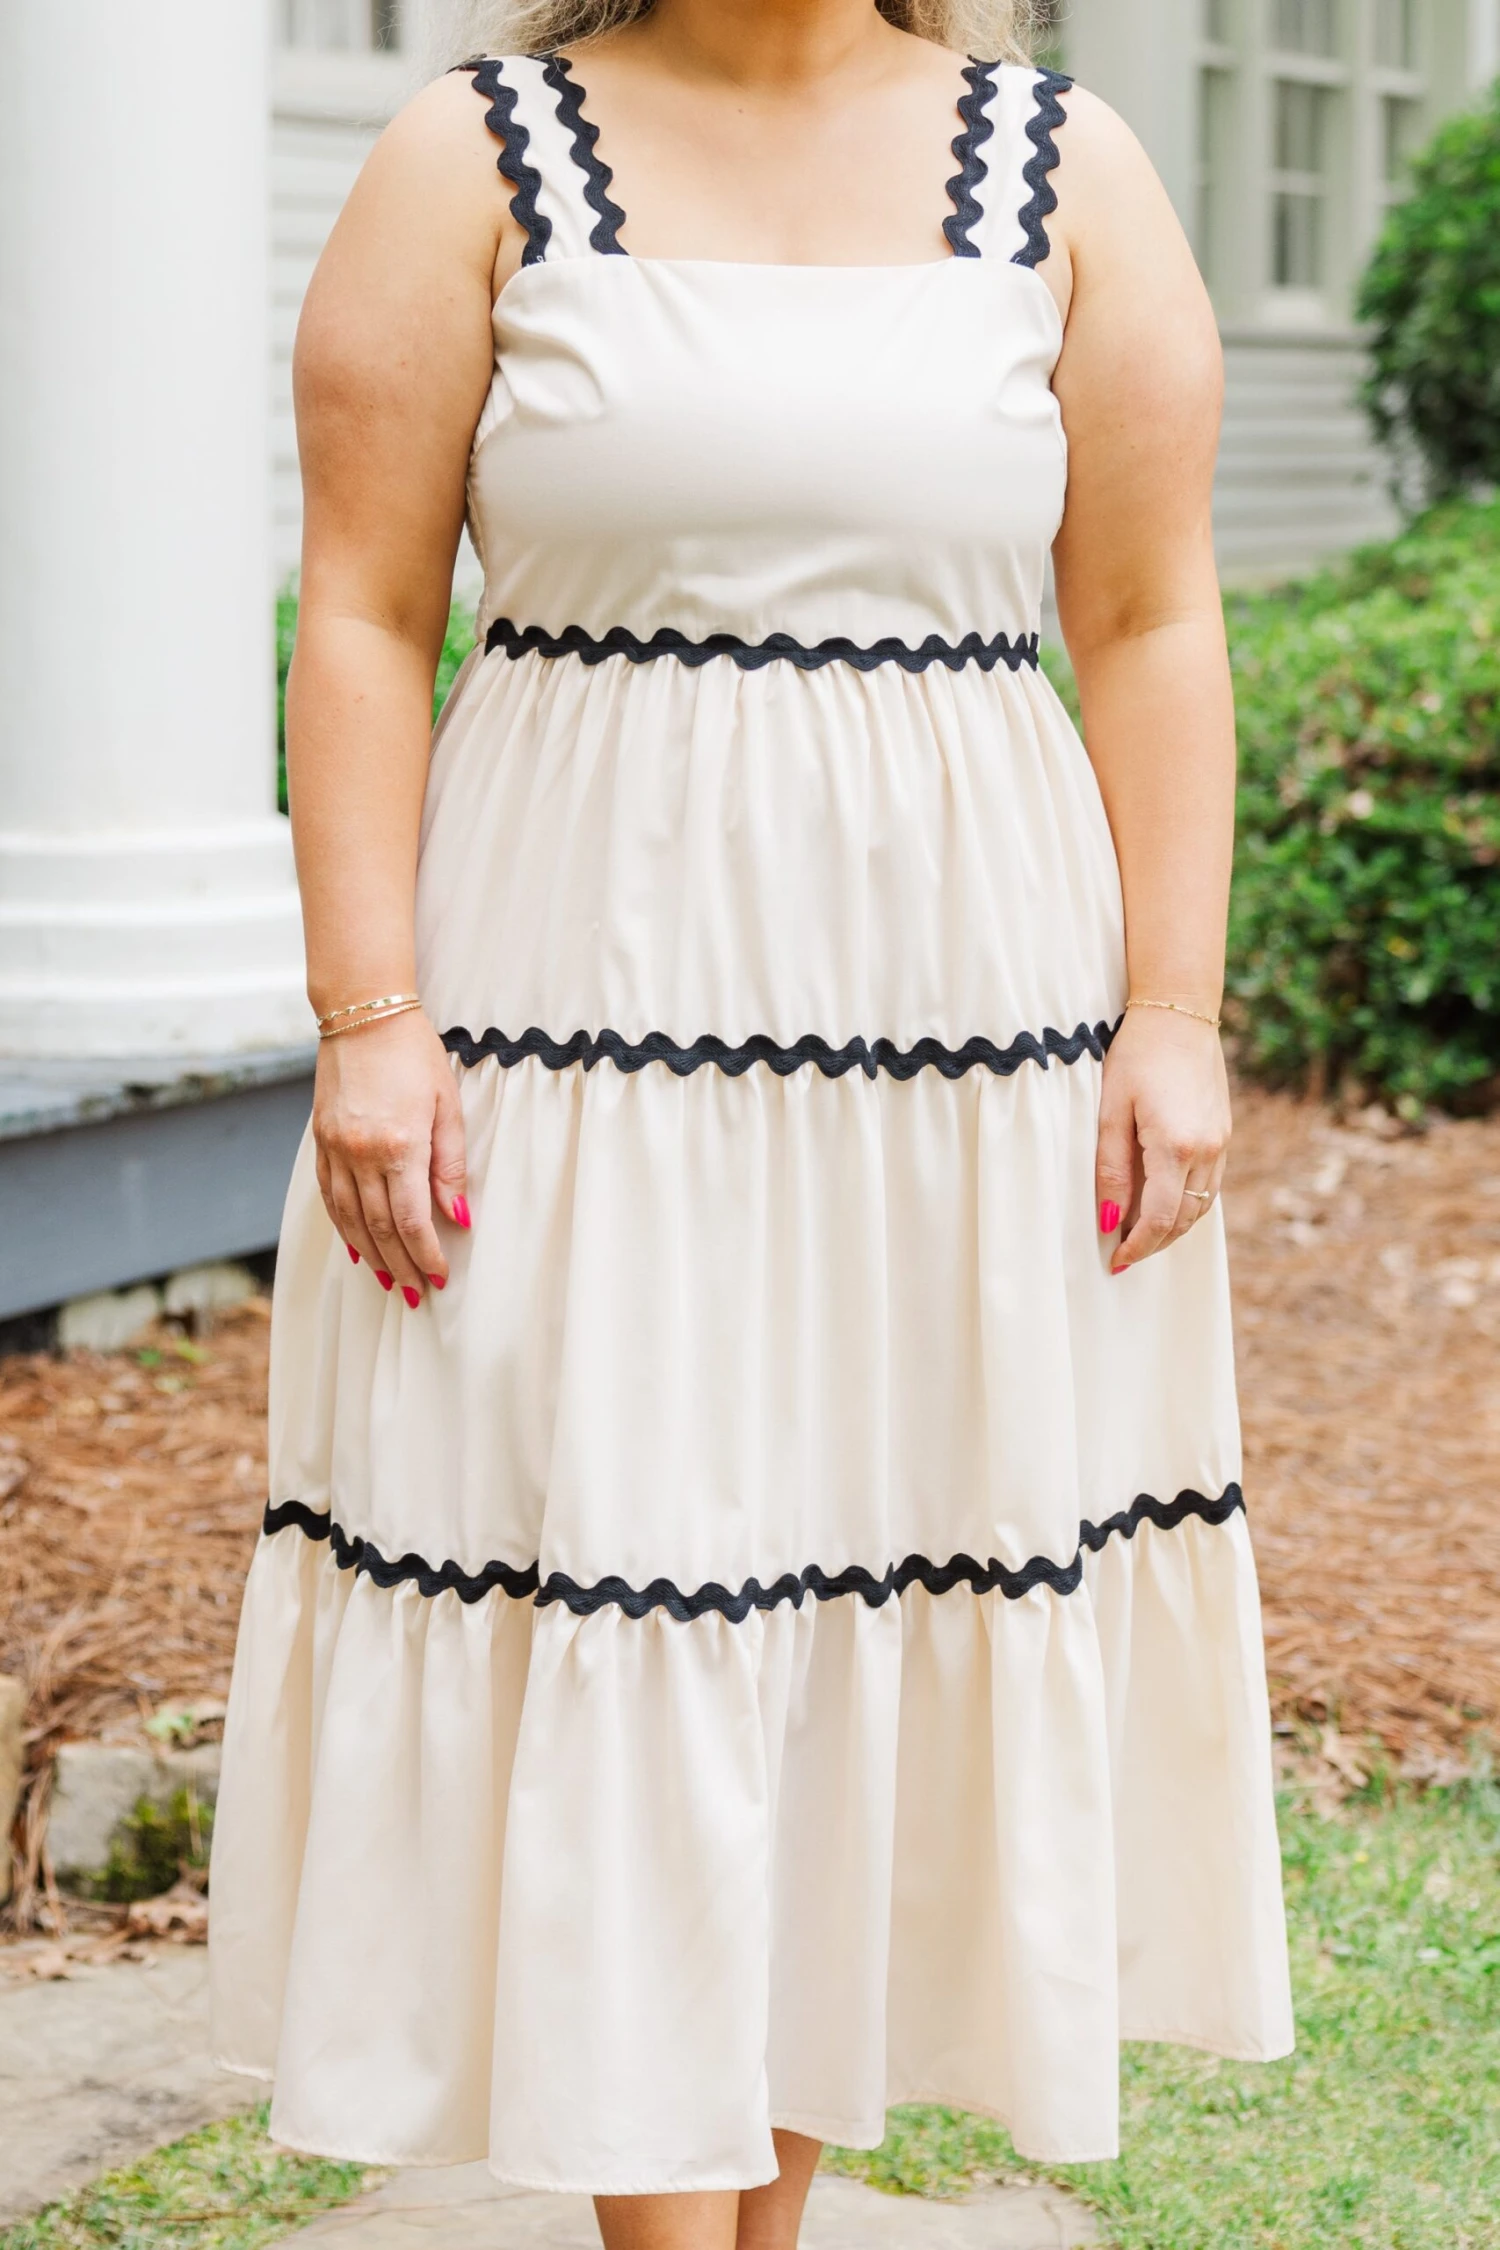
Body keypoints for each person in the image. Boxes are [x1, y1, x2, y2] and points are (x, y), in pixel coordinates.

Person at [209, 1, 1294, 2243]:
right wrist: (368, 1017)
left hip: (959, 1038)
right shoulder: (468, 155)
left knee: (846, 1586)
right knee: (628, 1568)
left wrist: (1174, 1012)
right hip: (570, 1020)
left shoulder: (1070, 168)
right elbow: (366, 610)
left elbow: (1151, 615)